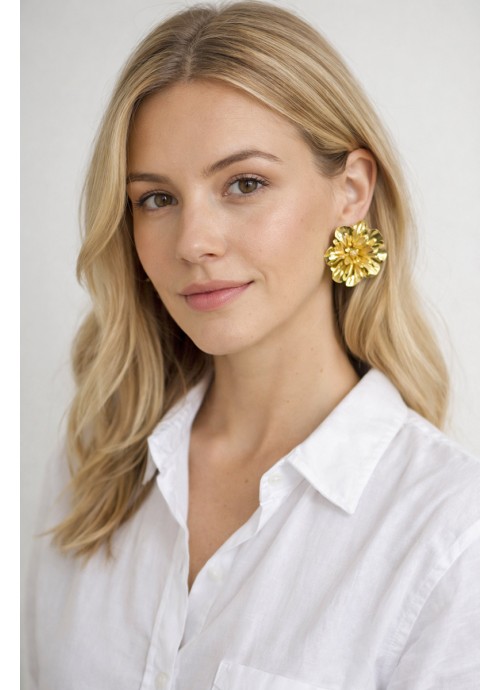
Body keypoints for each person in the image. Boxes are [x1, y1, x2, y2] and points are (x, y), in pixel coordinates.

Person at [26, 2, 479, 688]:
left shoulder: (453, 534)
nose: (193, 243)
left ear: (351, 191)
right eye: (156, 199)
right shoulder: (93, 467)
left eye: (244, 184)